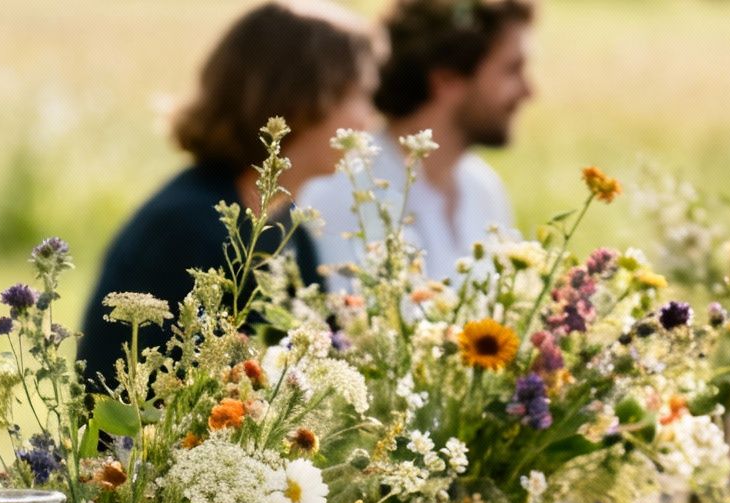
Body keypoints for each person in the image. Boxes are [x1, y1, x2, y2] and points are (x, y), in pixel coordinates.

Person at [74, 1, 382, 381]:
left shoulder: (288, 228)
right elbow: (130, 403)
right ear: (302, 100)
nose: (370, 118)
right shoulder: (187, 228)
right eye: (360, 96)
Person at [296, 0, 535, 285]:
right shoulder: (345, 191)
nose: (528, 91)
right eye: (512, 69)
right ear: (446, 80)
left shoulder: (483, 188)